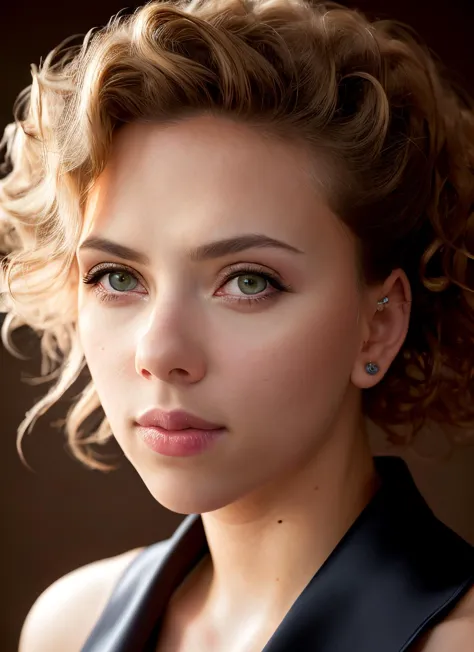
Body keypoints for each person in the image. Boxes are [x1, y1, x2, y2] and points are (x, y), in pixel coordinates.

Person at [1, 0, 474, 649]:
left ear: (378, 328)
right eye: (116, 277)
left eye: (249, 281)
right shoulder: (66, 627)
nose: (160, 351)